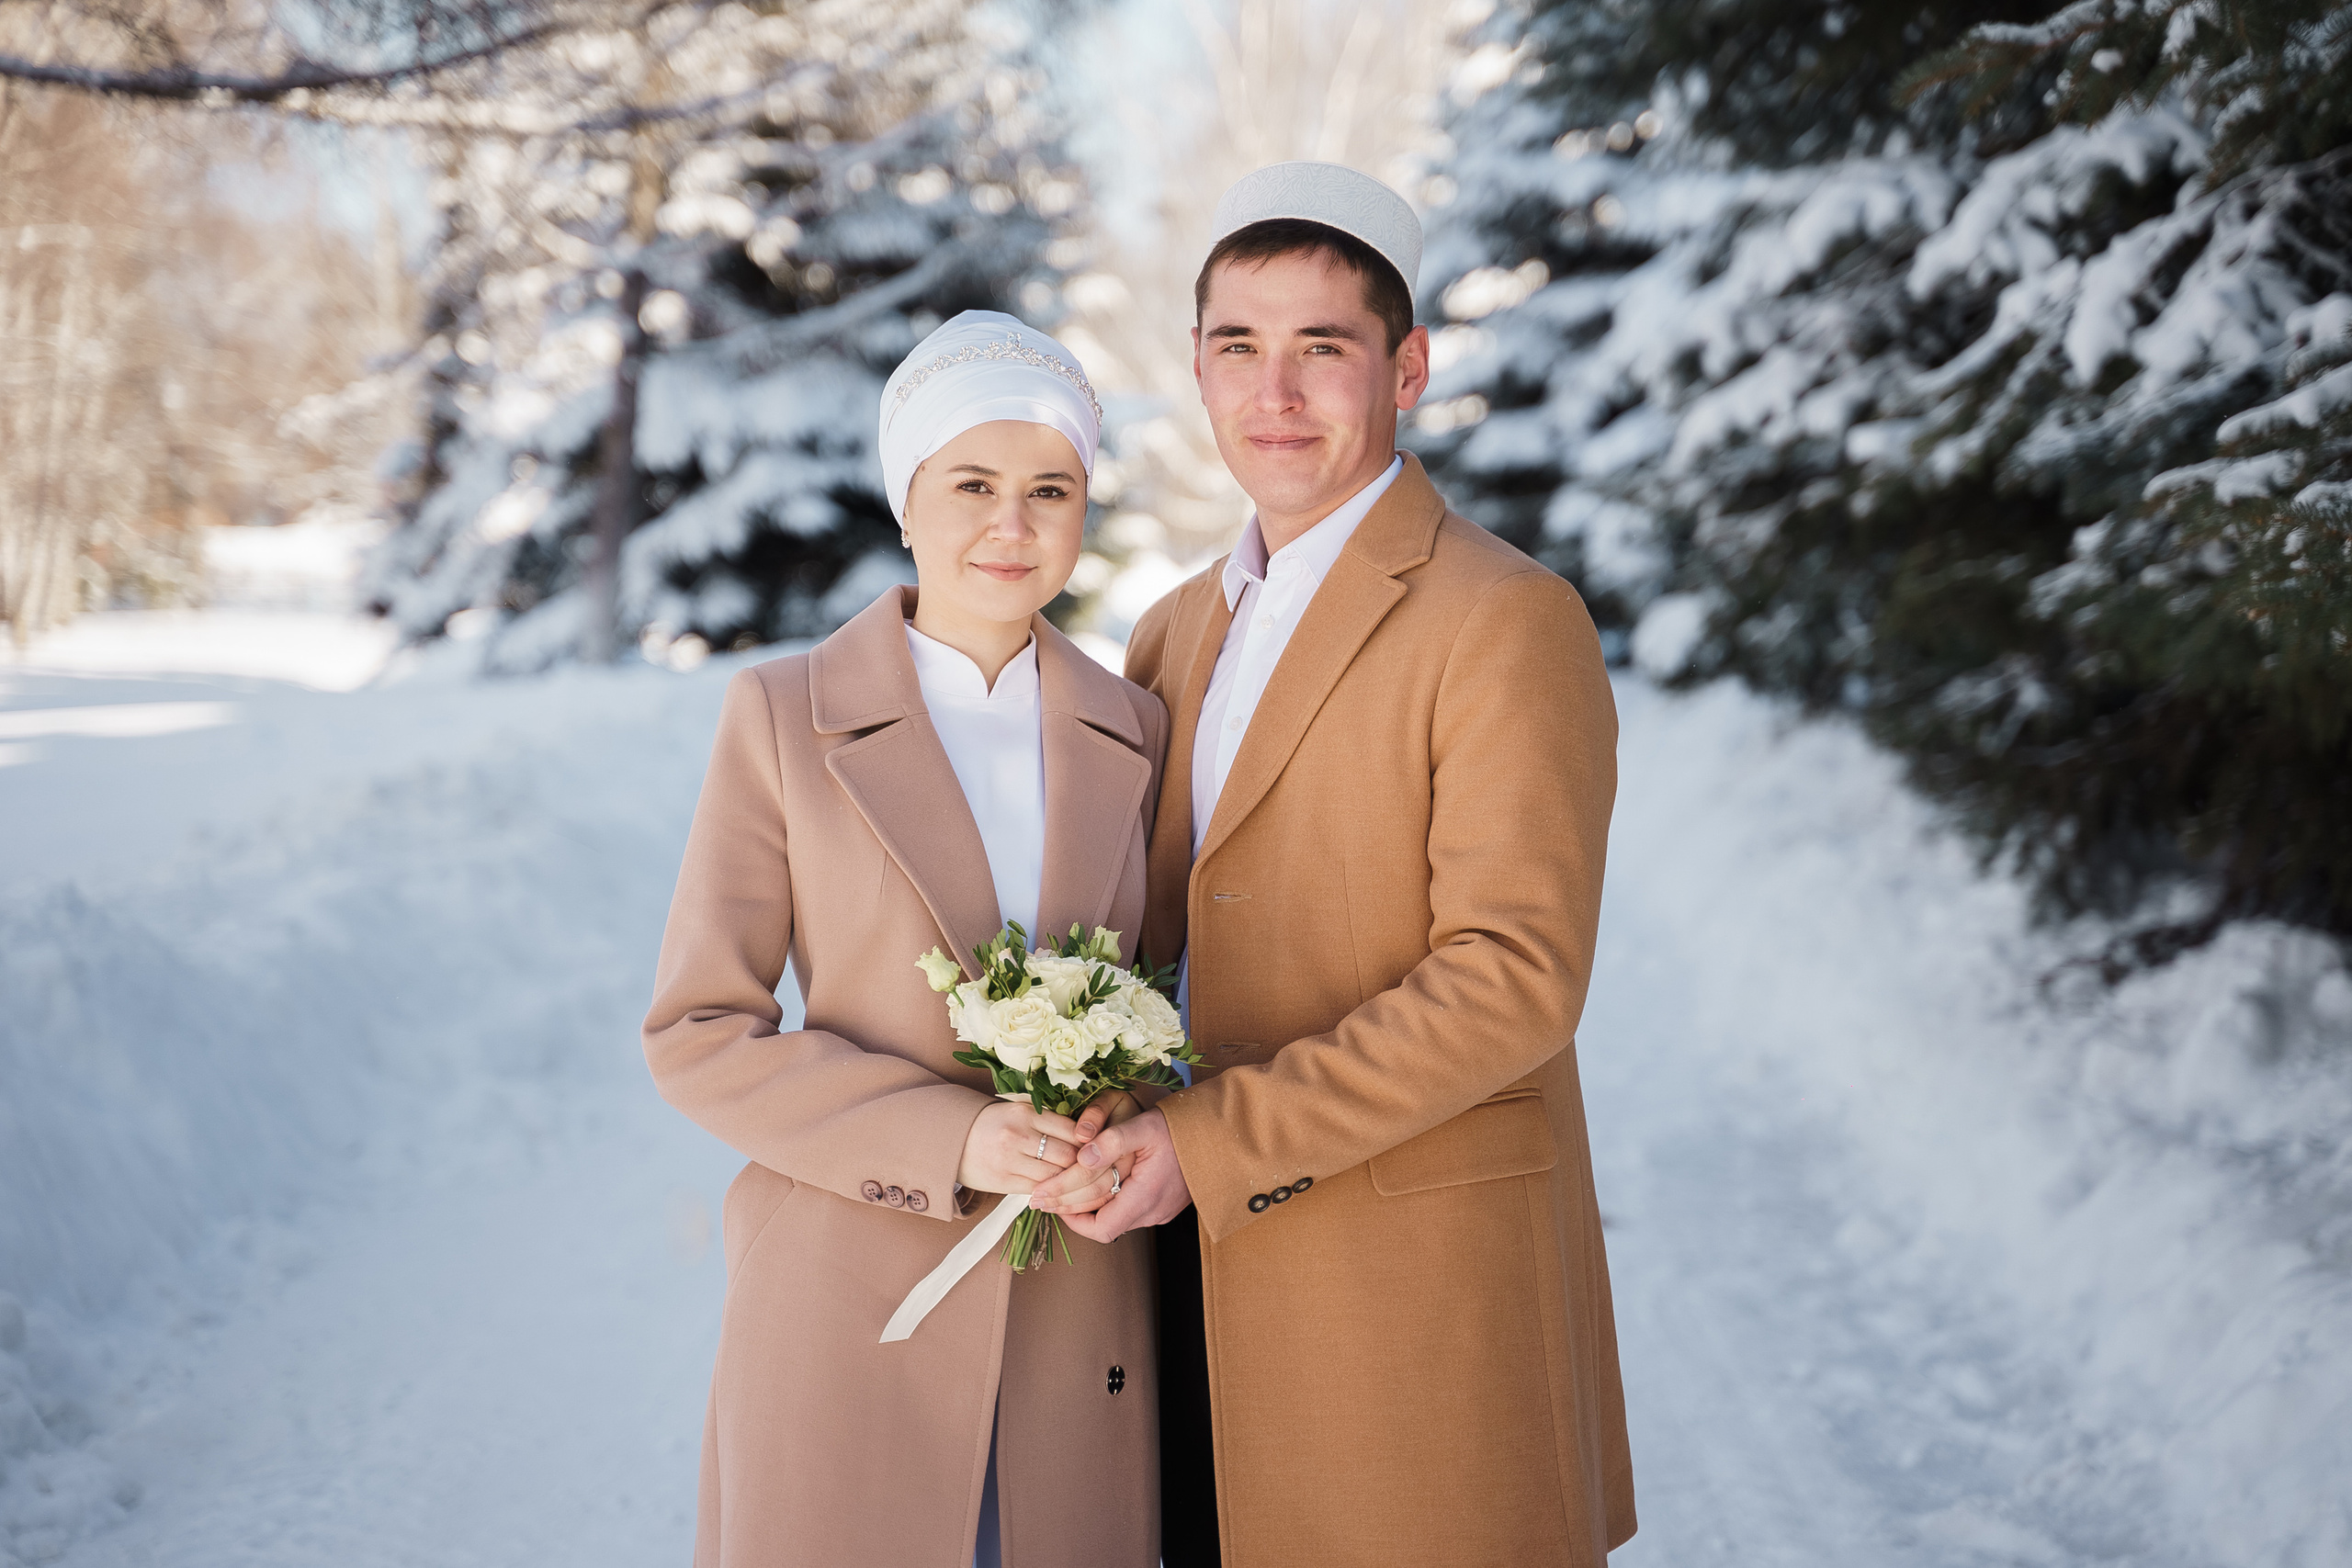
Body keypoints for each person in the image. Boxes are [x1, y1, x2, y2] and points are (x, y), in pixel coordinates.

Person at [1030, 164, 1636, 1564]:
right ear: (1194, 365)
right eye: (1238, 346)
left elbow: (1515, 983)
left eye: (1324, 348)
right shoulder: (1175, 631)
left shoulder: (1506, 619)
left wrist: (1207, 1143)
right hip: (1199, 1291)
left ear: (1406, 367)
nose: (1275, 394)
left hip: (1411, 1295)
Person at [642, 310, 1168, 1568]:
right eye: (972, 484)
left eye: (1052, 489)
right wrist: (955, 1136)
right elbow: (698, 1033)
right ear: (907, 499)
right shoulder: (782, 716)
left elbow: (1171, 987)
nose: (1013, 523)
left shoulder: (1139, 729)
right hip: (850, 1289)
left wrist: (1135, 1120)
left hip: (1076, 1302)